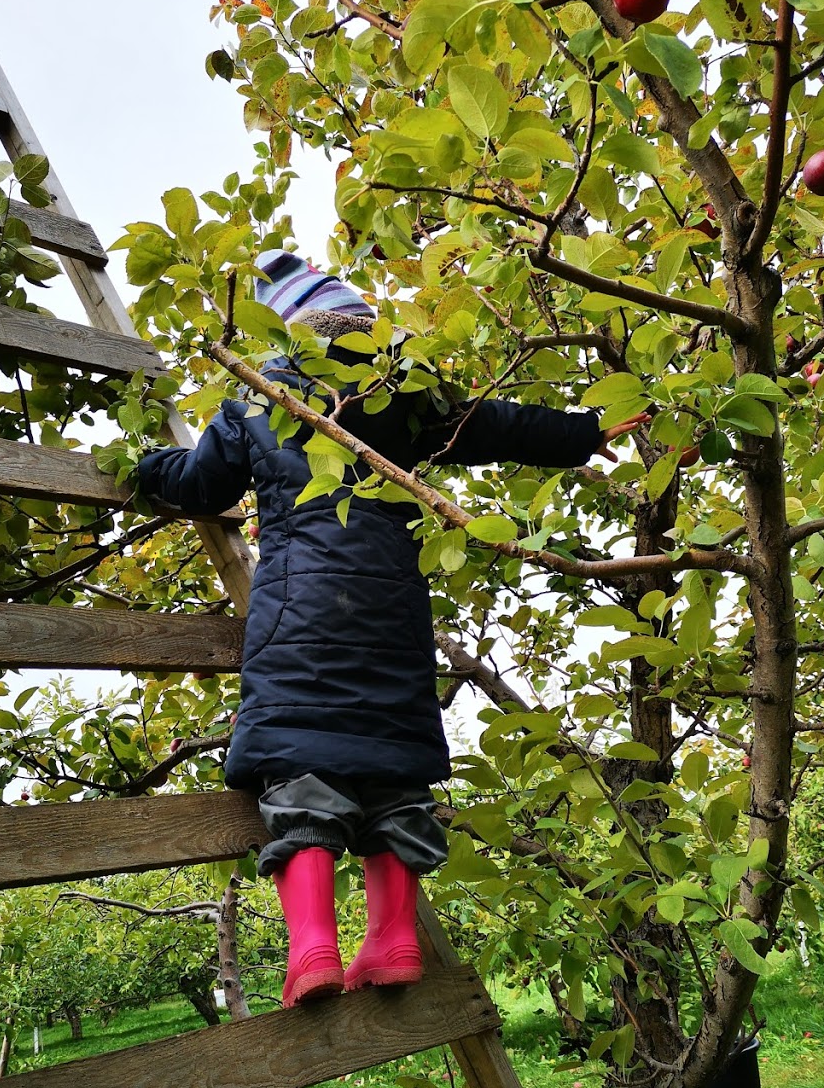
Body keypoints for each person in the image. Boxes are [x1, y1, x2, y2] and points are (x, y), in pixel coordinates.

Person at [136, 251, 647, 1008]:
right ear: (363, 327)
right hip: (395, 615)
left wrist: (142, 464)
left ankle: (314, 948)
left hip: (298, 614)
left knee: (302, 774)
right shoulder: (403, 393)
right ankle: (395, 940)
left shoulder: (259, 396)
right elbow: (495, 425)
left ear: (290, 329)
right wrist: (583, 433)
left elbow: (199, 485)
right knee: (392, 777)